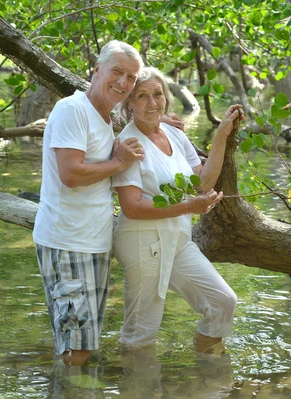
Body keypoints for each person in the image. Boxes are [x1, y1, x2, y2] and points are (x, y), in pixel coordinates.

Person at [32, 41, 180, 366]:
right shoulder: (73, 109)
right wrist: (119, 163)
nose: (124, 83)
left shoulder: (103, 118)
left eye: (131, 77)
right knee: (78, 348)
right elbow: (70, 174)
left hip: (94, 243)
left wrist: (159, 125)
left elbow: (114, 154)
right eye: (117, 72)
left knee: (83, 344)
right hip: (67, 241)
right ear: (97, 70)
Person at [112, 67, 244, 353]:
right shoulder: (128, 142)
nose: (152, 103)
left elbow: (203, 182)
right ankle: (136, 387)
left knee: (223, 302)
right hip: (141, 241)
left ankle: (206, 372)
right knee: (141, 332)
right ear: (129, 103)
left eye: (157, 94)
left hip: (178, 241)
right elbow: (131, 207)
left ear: (166, 97)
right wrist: (187, 207)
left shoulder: (173, 132)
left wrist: (221, 133)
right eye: (142, 96)